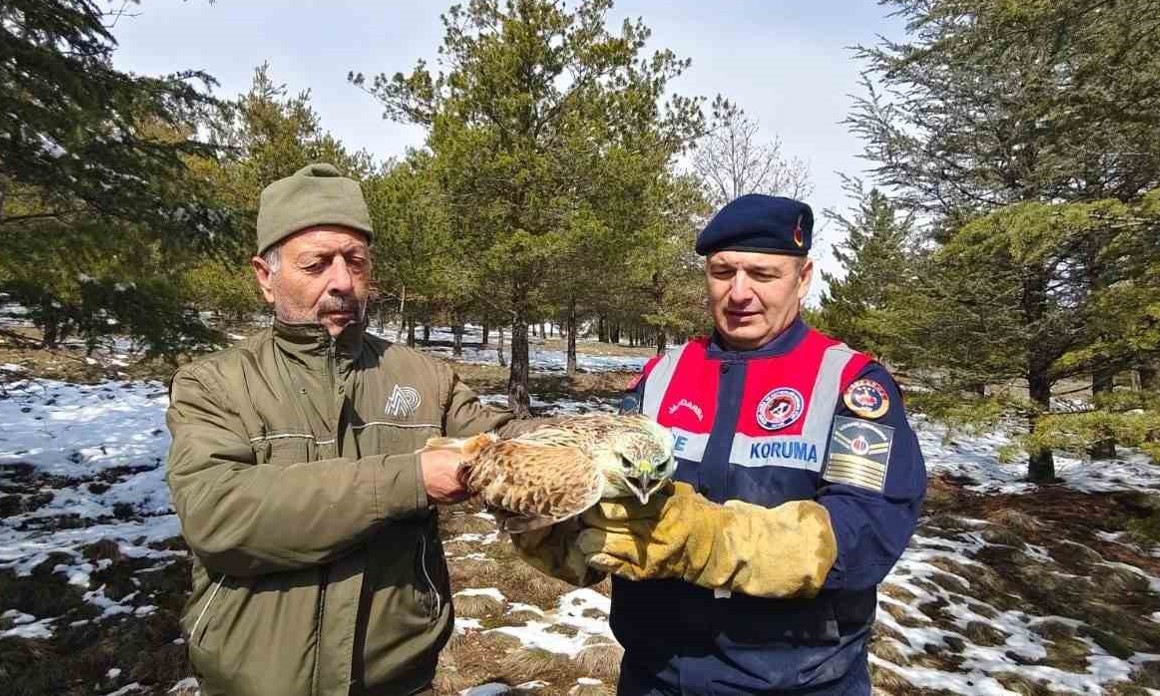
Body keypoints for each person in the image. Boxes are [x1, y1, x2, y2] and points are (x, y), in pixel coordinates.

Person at [517, 194, 927, 695]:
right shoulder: (661, 377)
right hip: (656, 674)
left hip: (796, 680)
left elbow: (866, 534)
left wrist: (712, 541)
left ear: (803, 278)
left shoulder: (849, 385)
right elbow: (615, 503)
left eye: (763, 274)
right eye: (722, 272)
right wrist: (563, 534)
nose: (739, 293)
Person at [165, 163, 525, 696]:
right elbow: (220, 514)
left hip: (398, 677)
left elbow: (504, 440)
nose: (341, 281)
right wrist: (408, 481)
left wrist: (597, 441)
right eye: (317, 264)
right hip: (253, 681)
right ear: (265, 277)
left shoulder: (423, 378)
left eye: (355, 262)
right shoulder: (215, 384)